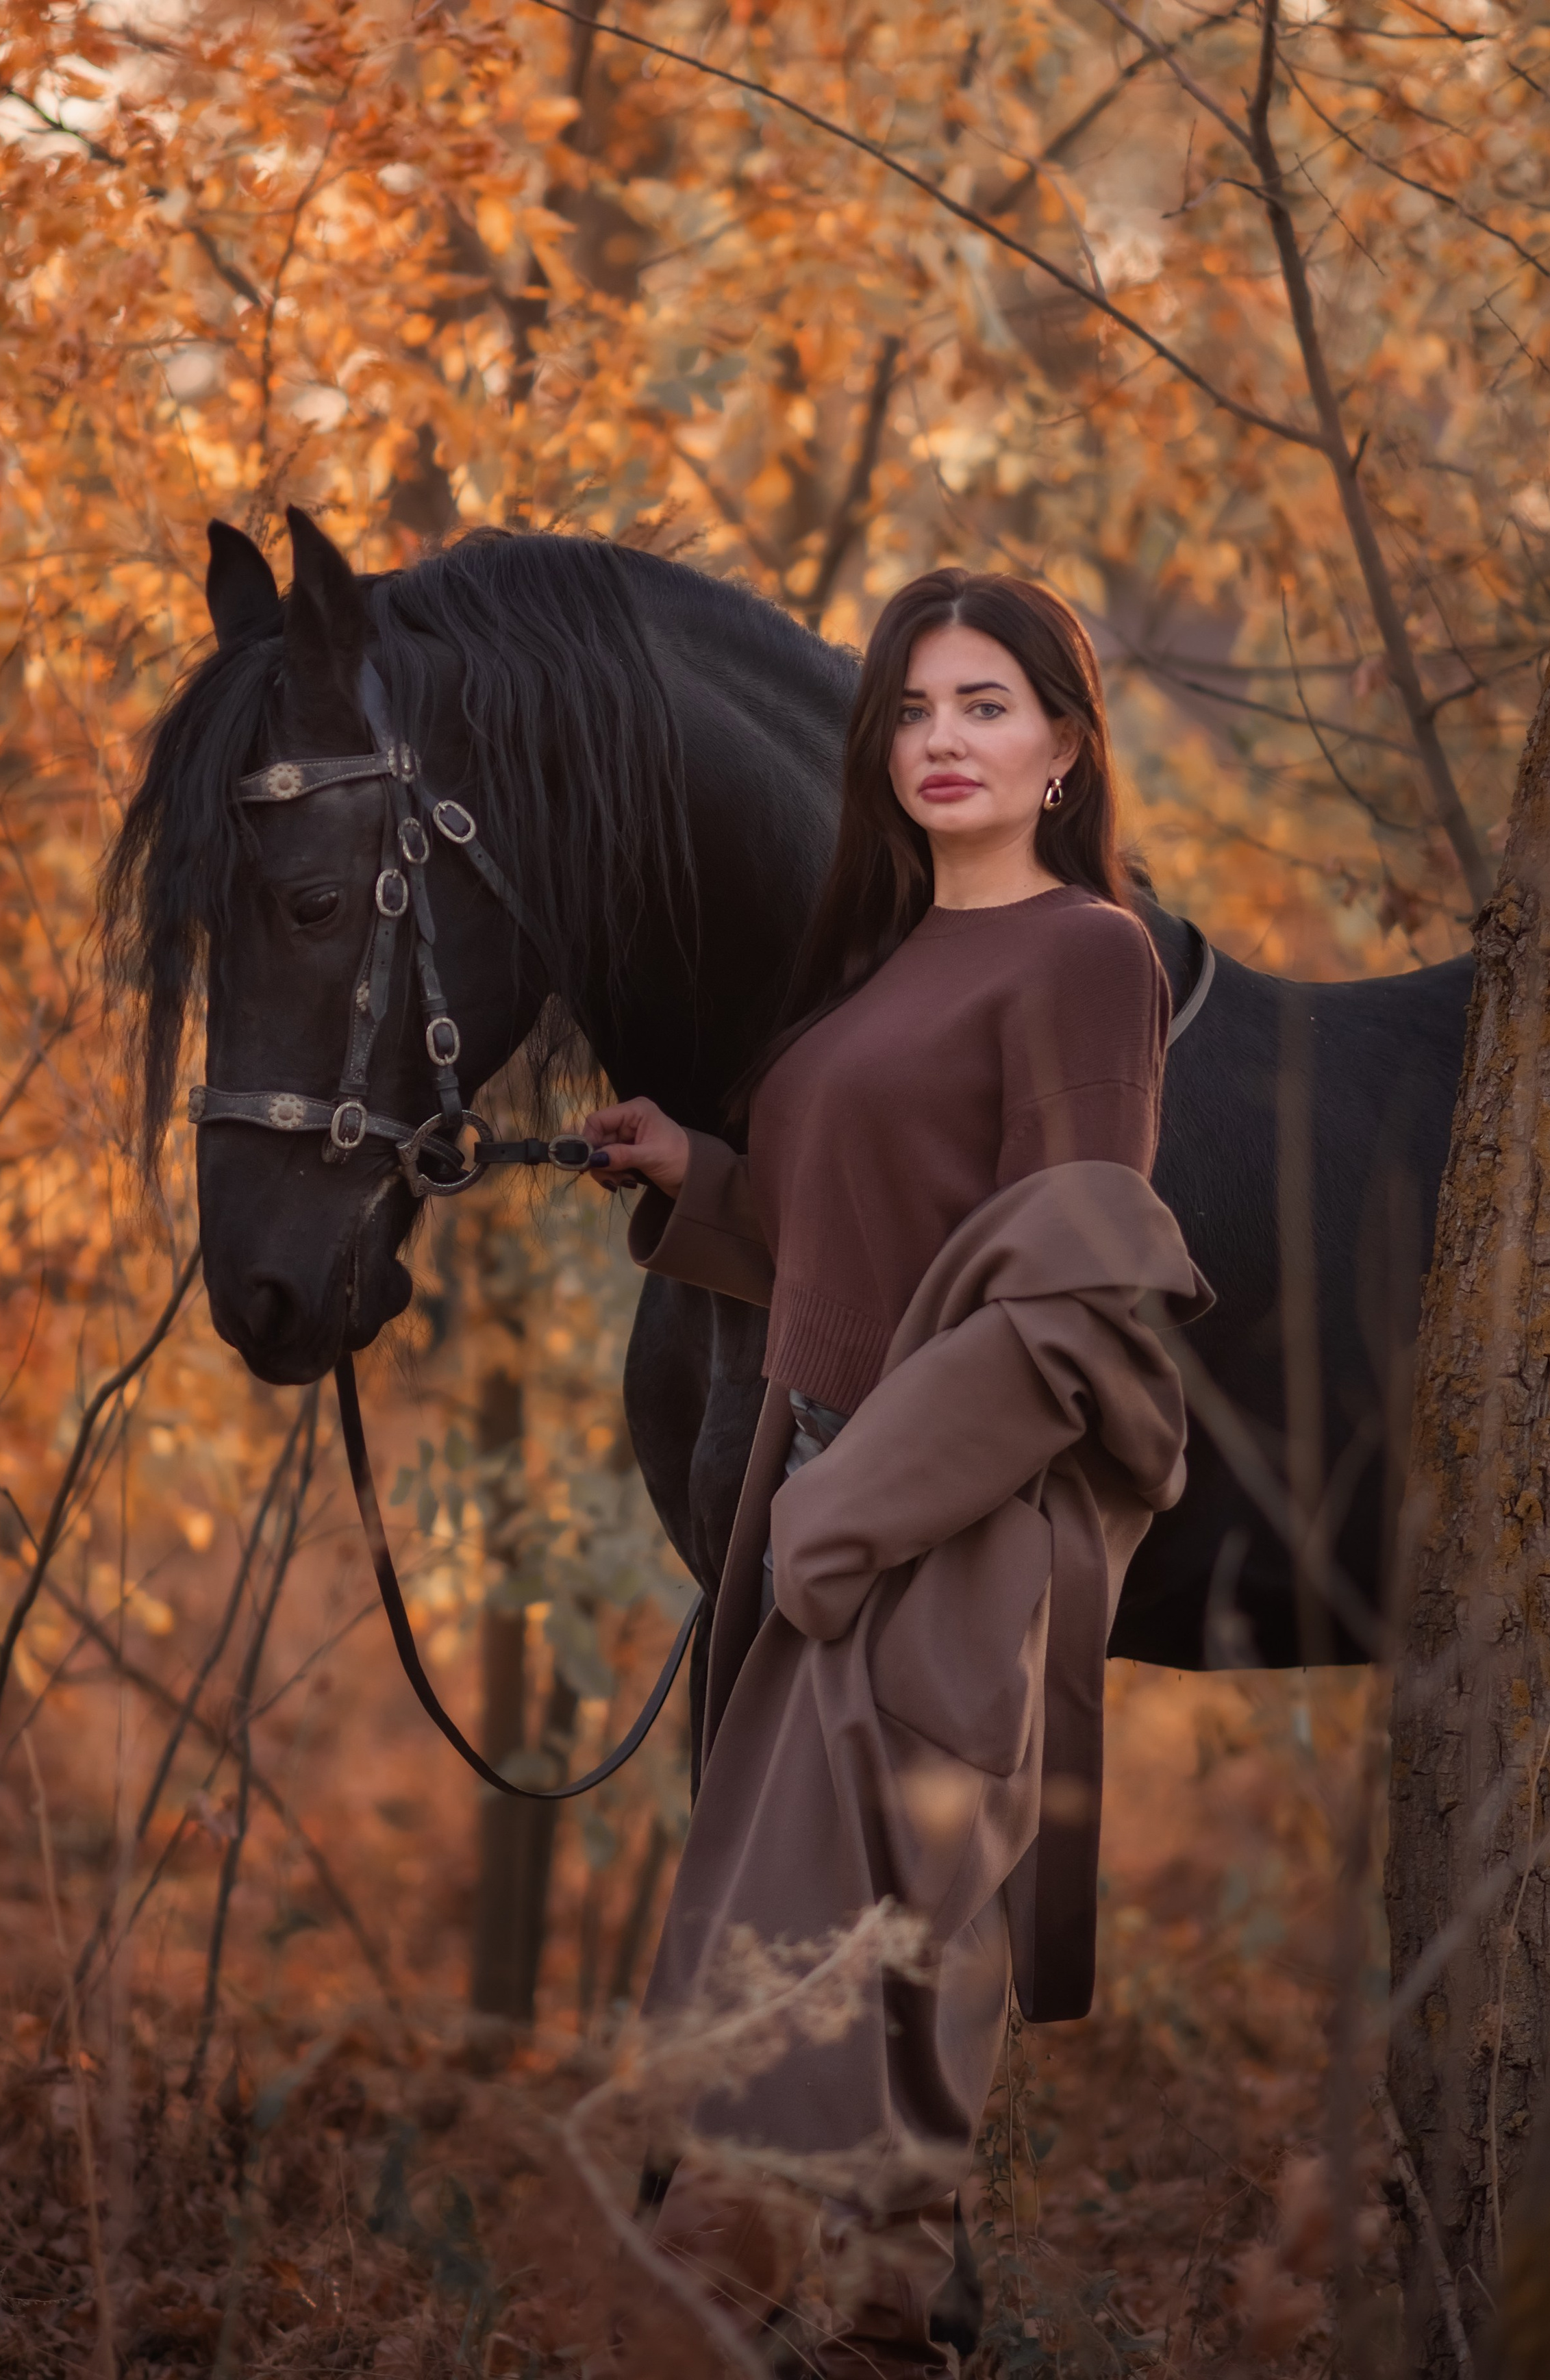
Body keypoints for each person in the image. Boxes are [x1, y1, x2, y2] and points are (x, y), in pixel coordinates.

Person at [583, 569, 1209, 2376]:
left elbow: (1078, 1298)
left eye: (989, 704)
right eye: (917, 709)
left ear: (1067, 749)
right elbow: (854, 1251)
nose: (945, 737)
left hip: (935, 1547)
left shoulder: (1089, 955)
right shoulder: (883, 966)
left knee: (852, 2083)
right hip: (828, 1545)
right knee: (766, 2049)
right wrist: (696, 1174)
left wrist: (841, 1521)